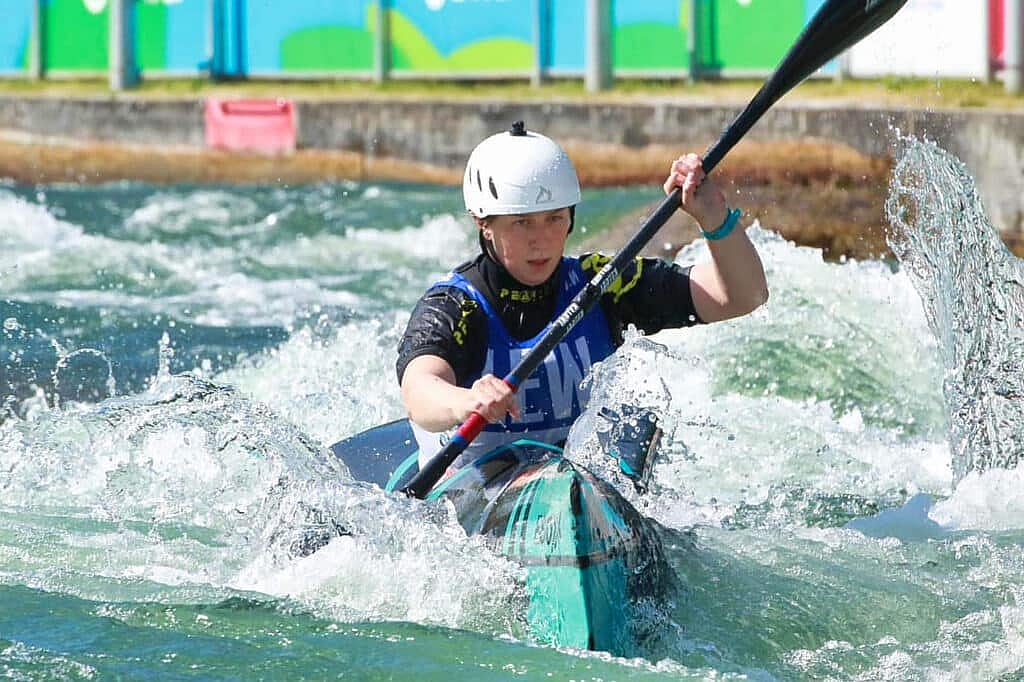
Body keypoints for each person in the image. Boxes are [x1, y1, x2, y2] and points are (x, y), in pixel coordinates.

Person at [396, 121, 768, 471]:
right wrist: (467, 401)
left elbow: (741, 295)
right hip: (485, 485)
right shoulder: (456, 305)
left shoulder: (602, 283)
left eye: (554, 218)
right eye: (522, 222)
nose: (540, 240)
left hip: (580, 483)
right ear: (483, 222)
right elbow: (419, 392)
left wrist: (714, 218)